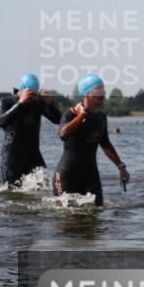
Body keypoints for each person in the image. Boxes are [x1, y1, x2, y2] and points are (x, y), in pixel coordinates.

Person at [53, 75, 129, 206]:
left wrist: (121, 167)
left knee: (97, 212)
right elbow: (63, 134)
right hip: (67, 176)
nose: (103, 94)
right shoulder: (70, 115)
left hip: (90, 176)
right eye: (99, 91)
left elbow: (105, 143)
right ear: (87, 94)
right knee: (66, 219)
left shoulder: (101, 117)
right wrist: (82, 115)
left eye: (103, 91)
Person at [0, 73, 62, 187]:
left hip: (33, 154)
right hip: (12, 156)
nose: (32, 96)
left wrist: (50, 104)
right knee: (10, 191)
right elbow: (1, 122)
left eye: (34, 93)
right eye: (30, 93)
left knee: (45, 186)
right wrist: (20, 103)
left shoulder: (37, 103)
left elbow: (58, 120)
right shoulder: (6, 102)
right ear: (22, 89)